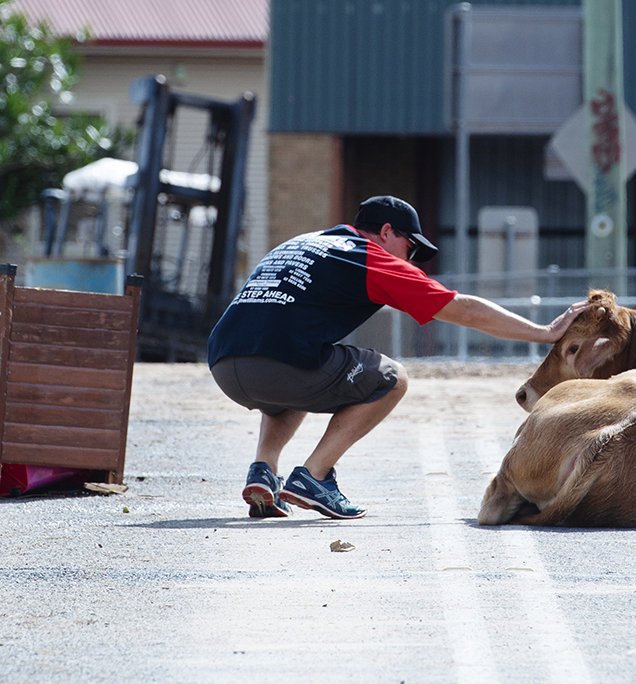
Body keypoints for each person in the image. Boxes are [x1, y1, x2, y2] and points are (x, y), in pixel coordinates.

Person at [206, 195, 583, 520]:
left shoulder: (302, 243)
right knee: (391, 377)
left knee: (302, 367)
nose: (412, 259)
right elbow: (462, 310)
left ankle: (263, 469)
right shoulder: (368, 257)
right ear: (387, 232)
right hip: (279, 365)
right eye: (411, 247)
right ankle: (314, 477)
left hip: (224, 364)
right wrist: (543, 333)